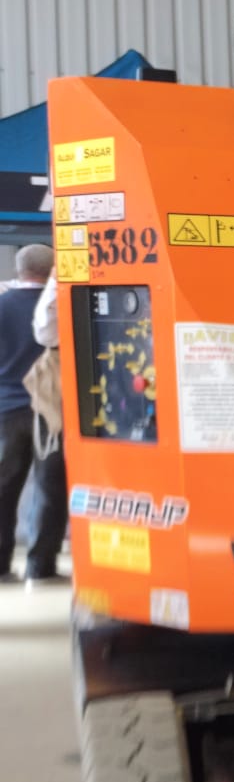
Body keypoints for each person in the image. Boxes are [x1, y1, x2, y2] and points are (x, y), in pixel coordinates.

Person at [0, 246, 68, 588]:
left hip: (5, 412)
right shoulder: (61, 307)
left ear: (18, 268)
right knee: (49, 489)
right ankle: (40, 567)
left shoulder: (1, 305)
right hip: (51, 412)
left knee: (3, 490)